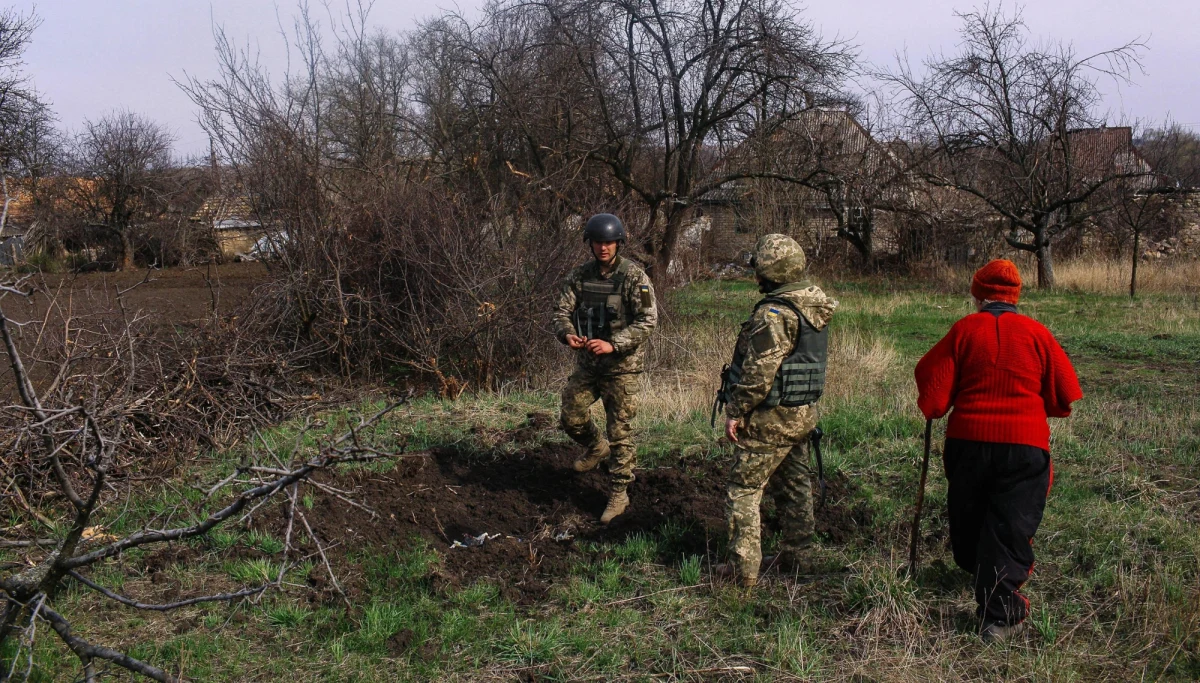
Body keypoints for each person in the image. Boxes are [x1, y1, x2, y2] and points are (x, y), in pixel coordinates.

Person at [915, 259, 1082, 642]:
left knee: (970, 515)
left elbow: (933, 389)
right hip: (1024, 446)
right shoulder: (1037, 333)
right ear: (1015, 297)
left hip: (968, 441)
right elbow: (1064, 396)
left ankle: (984, 580)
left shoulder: (964, 330)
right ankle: (1000, 616)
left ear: (978, 295)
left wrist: (939, 402)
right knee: (1010, 525)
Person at [715, 234, 837, 588]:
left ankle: (743, 571)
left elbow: (759, 373)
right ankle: (800, 556)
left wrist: (736, 410)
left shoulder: (775, 313)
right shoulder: (811, 304)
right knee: (794, 483)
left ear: (770, 271)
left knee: (743, 488)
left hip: (772, 419)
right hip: (801, 414)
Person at [553, 213, 658, 524]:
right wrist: (567, 333)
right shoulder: (579, 276)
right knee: (571, 416)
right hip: (588, 364)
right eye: (598, 242)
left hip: (622, 368)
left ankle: (619, 492)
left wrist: (615, 343)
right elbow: (561, 310)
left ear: (618, 244)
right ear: (590, 244)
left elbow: (648, 320)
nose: (603, 247)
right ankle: (596, 447)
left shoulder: (634, 278)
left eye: (609, 242)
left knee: (621, 432)